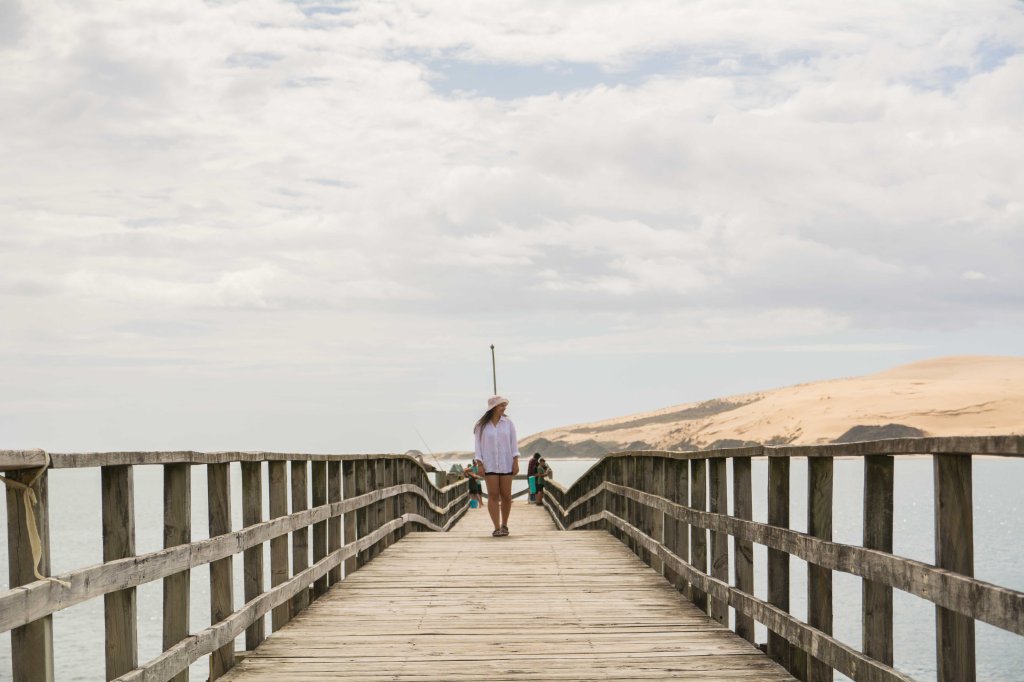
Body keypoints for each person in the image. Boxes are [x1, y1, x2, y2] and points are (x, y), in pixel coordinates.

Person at [473, 395, 520, 537]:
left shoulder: (509, 424)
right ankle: (496, 527)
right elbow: (478, 447)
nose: (504, 408)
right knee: (493, 495)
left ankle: (505, 524)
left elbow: (514, 444)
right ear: (493, 408)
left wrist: (516, 461)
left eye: (504, 405)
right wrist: (479, 464)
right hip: (490, 464)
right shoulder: (481, 426)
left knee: (506, 495)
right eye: (501, 405)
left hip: (506, 463)